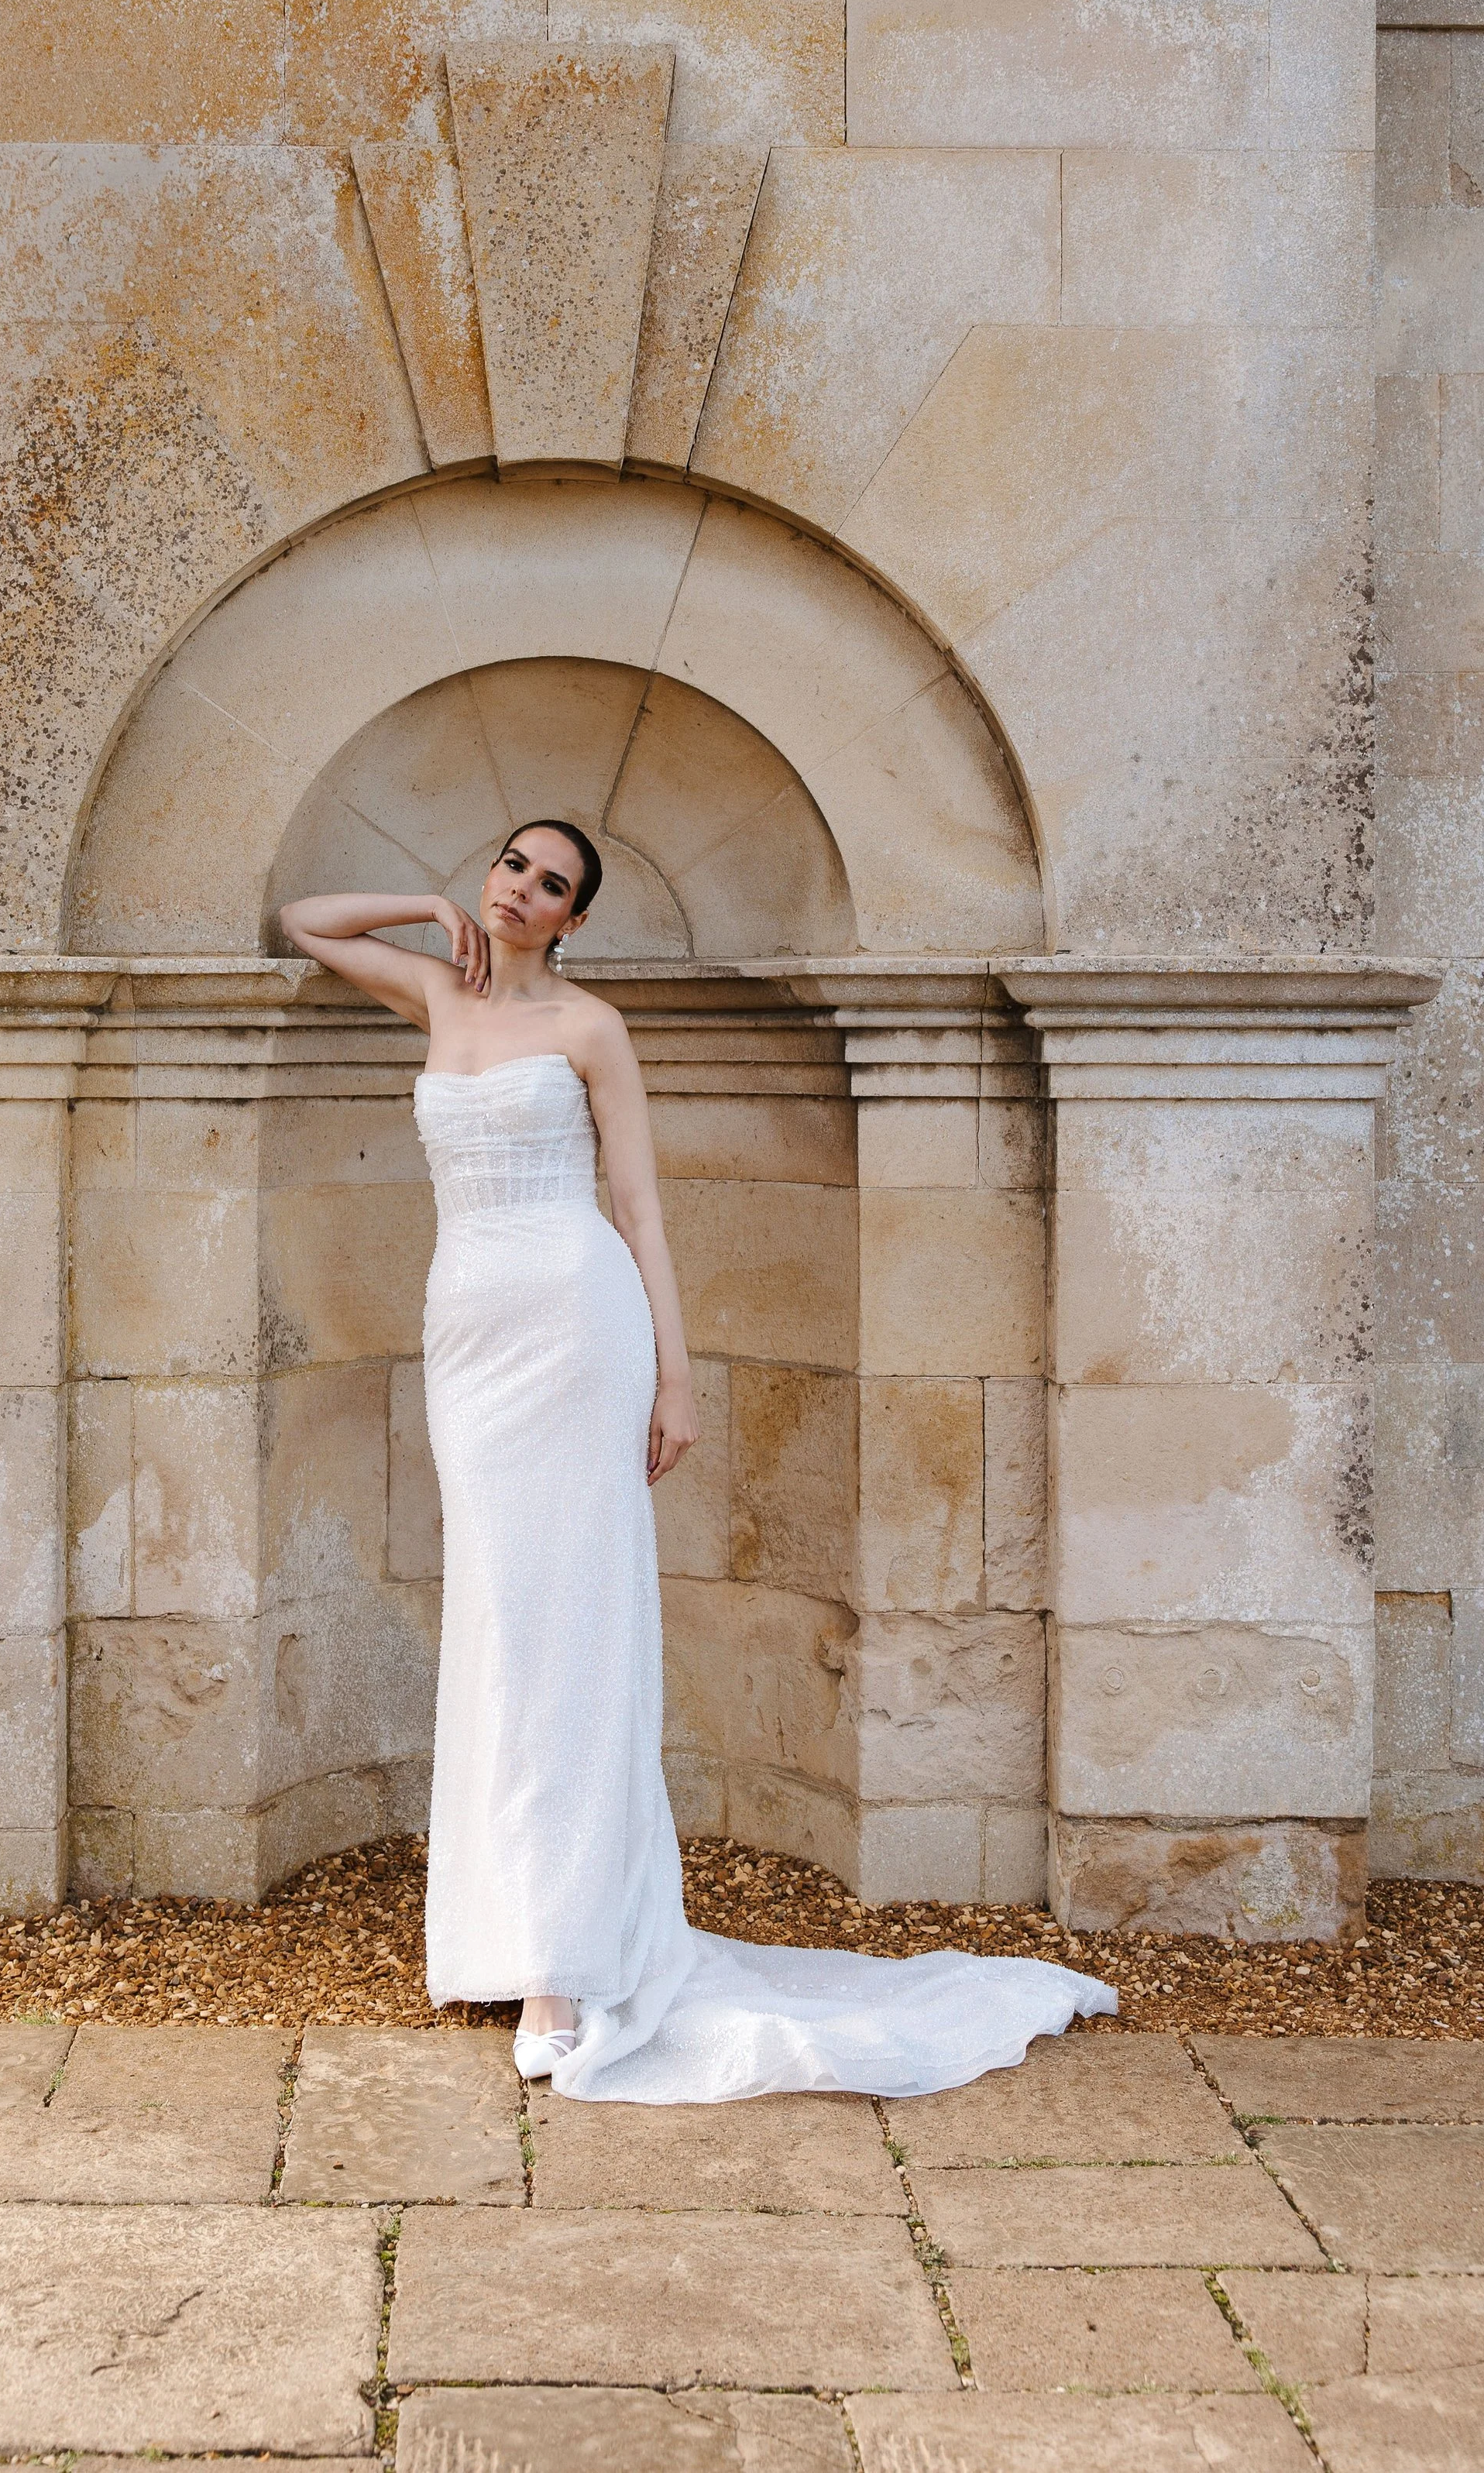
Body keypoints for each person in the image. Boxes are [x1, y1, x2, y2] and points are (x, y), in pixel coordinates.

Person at [280, 824, 1116, 2100]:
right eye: (511, 864)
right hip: (469, 1332)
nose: (520, 889)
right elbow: (306, 922)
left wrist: (676, 1374)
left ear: (572, 920)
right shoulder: (435, 987)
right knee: (502, 1622)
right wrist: (418, 900)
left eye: (550, 884)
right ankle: (507, 1928)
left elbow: (641, 1208)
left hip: (574, 1320)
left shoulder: (591, 1027)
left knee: (571, 1626)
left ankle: (564, 1959)